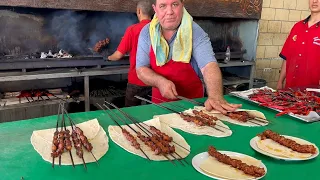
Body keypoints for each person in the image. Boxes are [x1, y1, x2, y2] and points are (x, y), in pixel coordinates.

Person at [135, 0, 241, 113]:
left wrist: (215, 96)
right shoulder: (147, 32)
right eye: (163, 6)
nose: (169, 11)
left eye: (175, 4)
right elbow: (141, 69)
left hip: (192, 108)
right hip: (159, 107)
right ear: (155, 9)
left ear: (182, 5)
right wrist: (160, 82)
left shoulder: (195, 32)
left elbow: (209, 65)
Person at [95, 0, 153, 107]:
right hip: (155, 81)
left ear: (139, 11)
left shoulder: (132, 29)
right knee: (152, 113)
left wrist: (107, 57)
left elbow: (118, 55)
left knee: (130, 114)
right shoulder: (159, 29)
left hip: (136, 80)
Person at [277, 0, 320, 89]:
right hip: (290, 89)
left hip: (312, 93)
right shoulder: (297, 27)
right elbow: (286, 57)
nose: (314, 1)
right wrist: (280, 82)